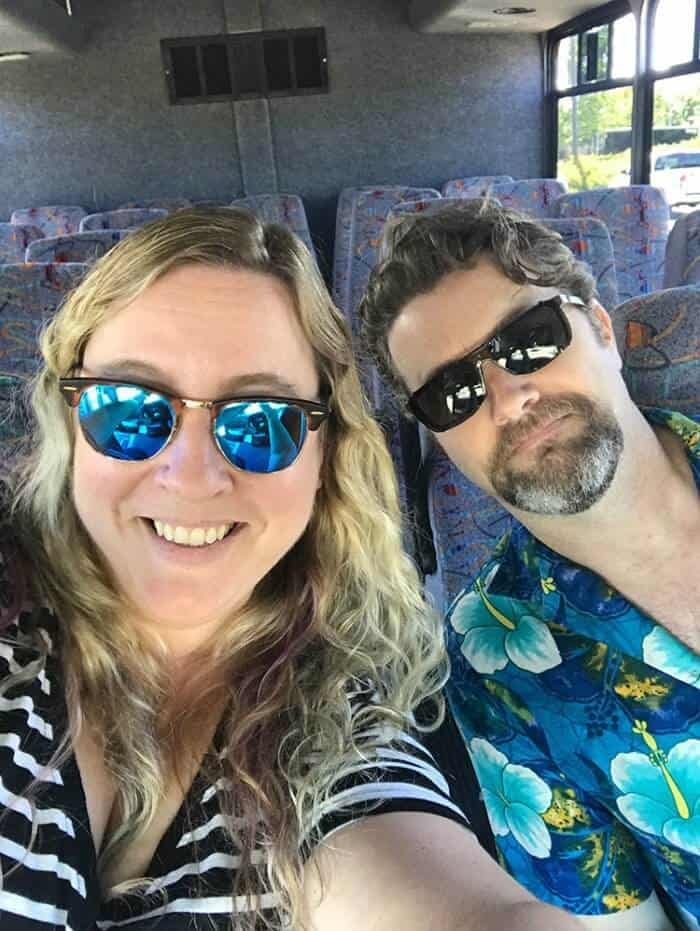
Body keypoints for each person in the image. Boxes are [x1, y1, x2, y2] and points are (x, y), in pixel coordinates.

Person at [0, 207, 582, 931]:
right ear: (70, 424)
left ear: (324, 459)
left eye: (261, 420)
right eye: (130, 407)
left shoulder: (349, 721)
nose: (191, 476)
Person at [359, 198, 700, 931]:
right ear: (439, 440)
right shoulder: (495, 664)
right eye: (454, 391)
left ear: (601, 329)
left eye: (529, 339)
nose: (510, 396)